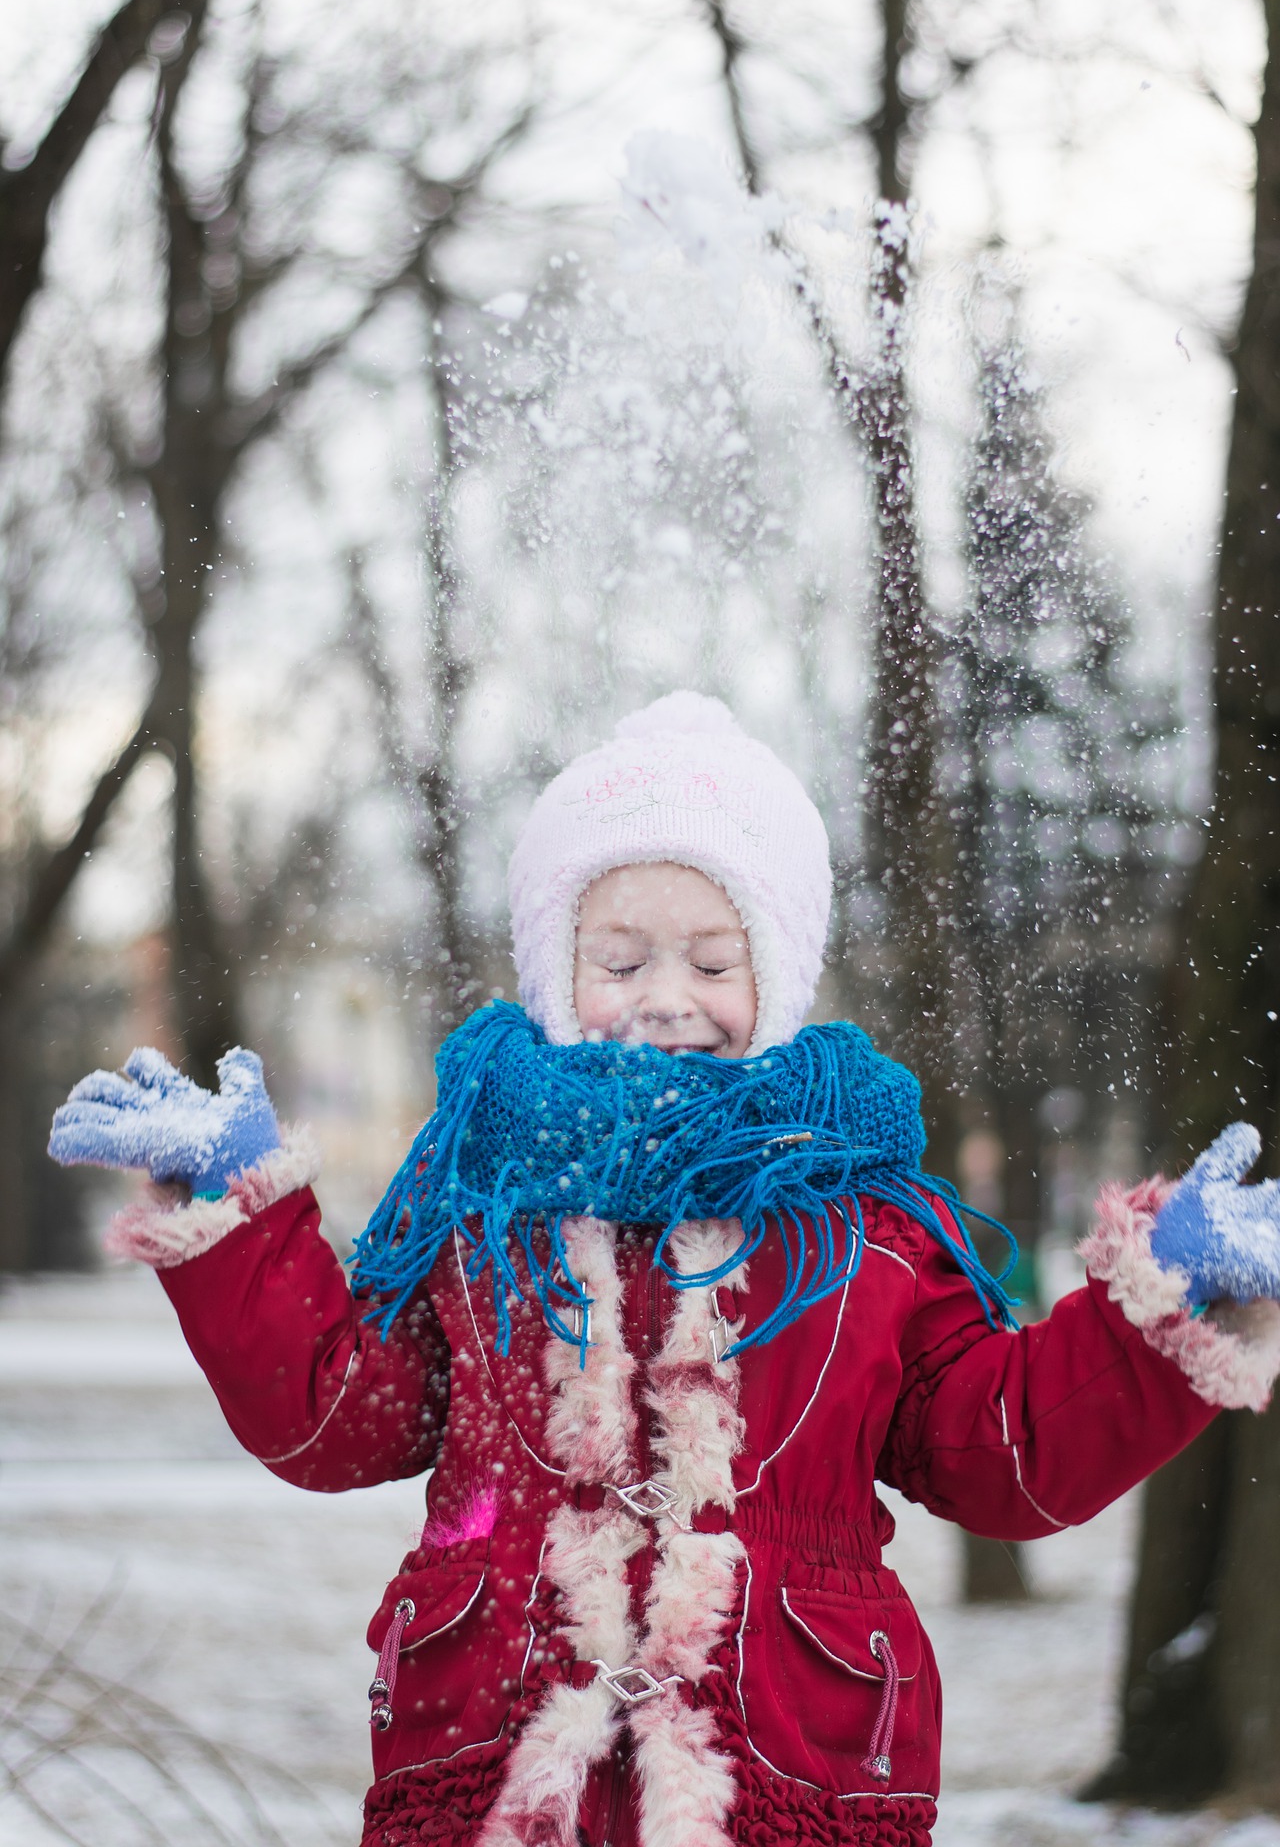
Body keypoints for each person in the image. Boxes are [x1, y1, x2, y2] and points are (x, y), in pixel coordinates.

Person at [48, 691, 1280, 1847]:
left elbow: (1002, 1451)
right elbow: (336, 1419)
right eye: (619, 961)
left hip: (788, 1761)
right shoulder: (485, 1205)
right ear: (553, 971)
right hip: (502, 1758)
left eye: (711, 960)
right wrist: (238, 1219)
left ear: (778, 977)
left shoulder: (866, 1223)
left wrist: (1155, 1319)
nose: (665, 1000)